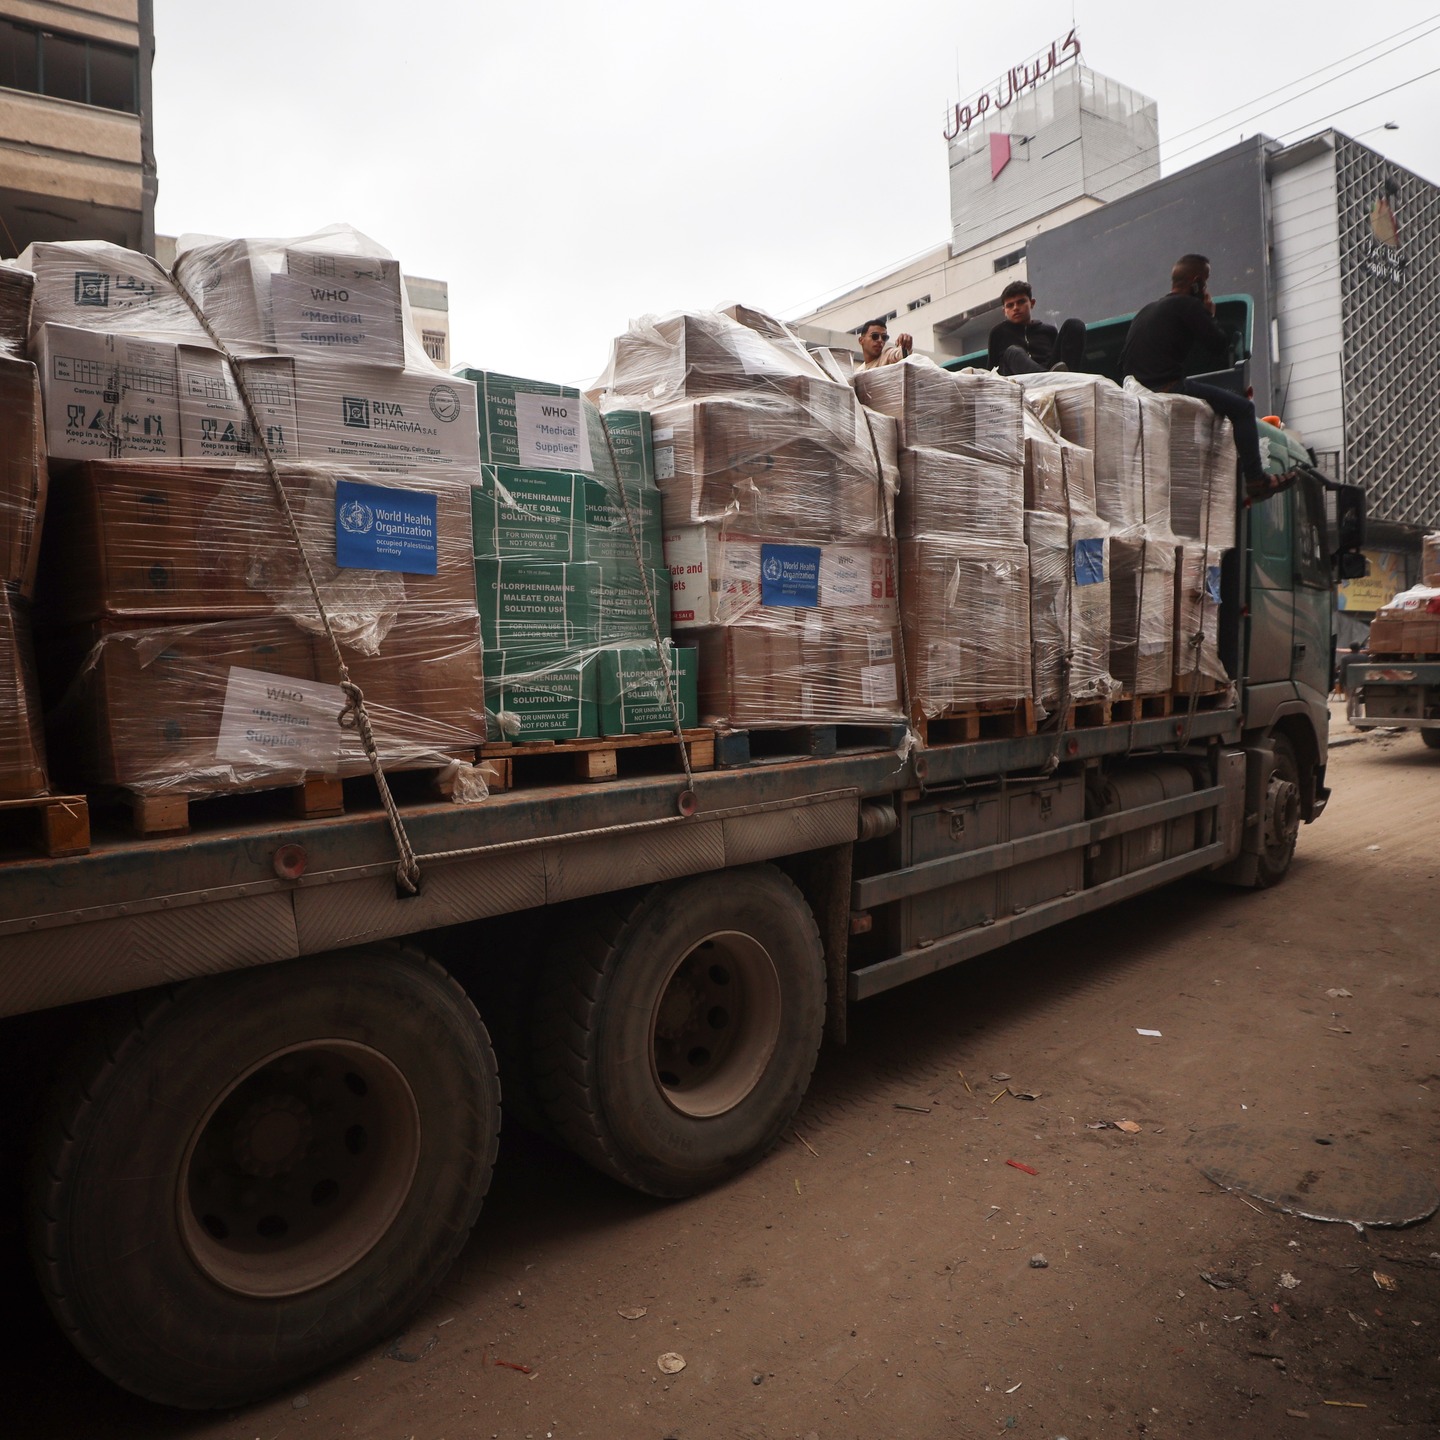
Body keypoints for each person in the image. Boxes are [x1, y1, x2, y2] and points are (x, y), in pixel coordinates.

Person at [1120, 254, 1295, 500]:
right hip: (1168, 387)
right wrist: (1210, 315)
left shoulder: (1145, 311)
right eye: (1206, 281)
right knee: (1243, 409)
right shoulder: (1189, 306)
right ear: (1197, 283)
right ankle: (1256, 480)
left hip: (1136, 394)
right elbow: (1218, 346)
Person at [987, 280, 1087, 375]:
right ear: (1004, 311)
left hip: (1052, 373)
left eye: (1021, 302)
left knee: (1074, 325)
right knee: (1013, 352)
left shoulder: (1049, 331)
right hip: (1016, 379)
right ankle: (1048, 379)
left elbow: (1059, 358)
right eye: (1010, 305)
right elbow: (990, 371)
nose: (1016, 308)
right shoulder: (998, 333)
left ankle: (1068, 378)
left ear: (1032, 303)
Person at [1337, 641, 1368, 723]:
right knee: (1358, 700)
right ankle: (1358, 717)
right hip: (1361, 681)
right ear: (1359, 648)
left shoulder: (1345, 658)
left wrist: (1340, 683)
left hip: (1349, 681)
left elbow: (1343, 671)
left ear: (1350, 648)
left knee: (1350, 700)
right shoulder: (1364, 657)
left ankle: (1350, 717)